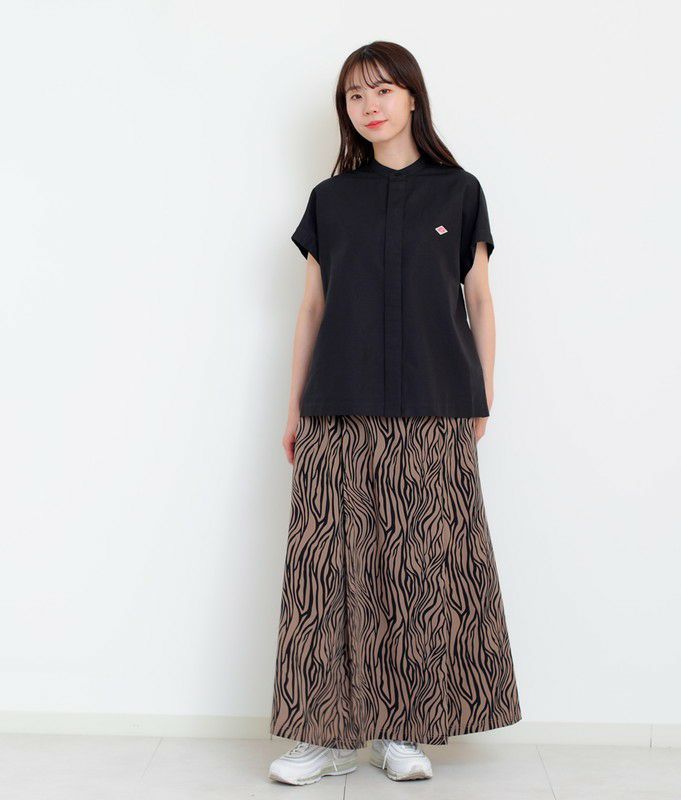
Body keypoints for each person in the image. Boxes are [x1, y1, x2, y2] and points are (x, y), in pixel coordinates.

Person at [268, 40, 522, 786]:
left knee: (416, 570)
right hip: (337, 406)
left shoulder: (459, 192)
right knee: (324, 570)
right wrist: (294, 407)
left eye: (382, 90)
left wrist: (481, 396)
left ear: (413, 97)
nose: (369, 105)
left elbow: (480, 302)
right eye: (355, 95)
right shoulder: (331, 199)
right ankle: (320, 735)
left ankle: (400, 731)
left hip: (435, 406)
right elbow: (311, 309)